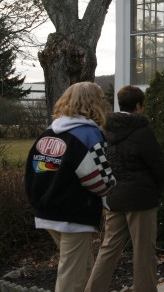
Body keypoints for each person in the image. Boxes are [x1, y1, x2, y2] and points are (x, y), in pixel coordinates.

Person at [24, 82, 116, 292]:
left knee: (83, 267)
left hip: (46, 210)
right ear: (94, 103)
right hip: (74, 214)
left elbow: (32, 172)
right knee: (71, 276)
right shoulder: (89, 135)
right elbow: (100, 180)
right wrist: (111, 185)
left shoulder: (48, 133)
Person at [85, 85, 164, 292]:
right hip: (141, 199)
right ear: (139, 106)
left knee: (108, 248)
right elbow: (159, 166)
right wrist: (155, 190)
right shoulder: (143, 132)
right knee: (143, 252)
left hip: (114, 196)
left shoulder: (105, 131)